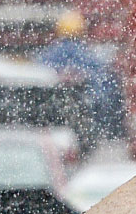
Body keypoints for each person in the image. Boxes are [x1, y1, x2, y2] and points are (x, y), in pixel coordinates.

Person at [34, 11, 124, 141]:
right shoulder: (87, 56)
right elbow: (104, 87)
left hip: (52, 120)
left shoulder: (49, 55)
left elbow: (36, 73)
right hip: (85, 119)